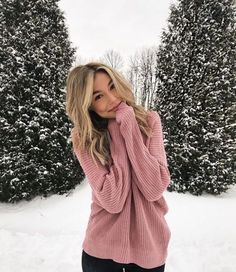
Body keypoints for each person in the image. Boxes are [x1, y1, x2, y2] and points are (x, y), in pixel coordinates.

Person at [65, 62, 171, 272]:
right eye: (98, 96)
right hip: (100, 253)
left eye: (112, 86)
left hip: (149, 249)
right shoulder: (84, 138)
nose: (112, 99)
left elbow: (154, 188)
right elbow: (113, 200)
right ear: (87, 105)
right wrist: (117, 129)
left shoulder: (150, 121)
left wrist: (129, 127)